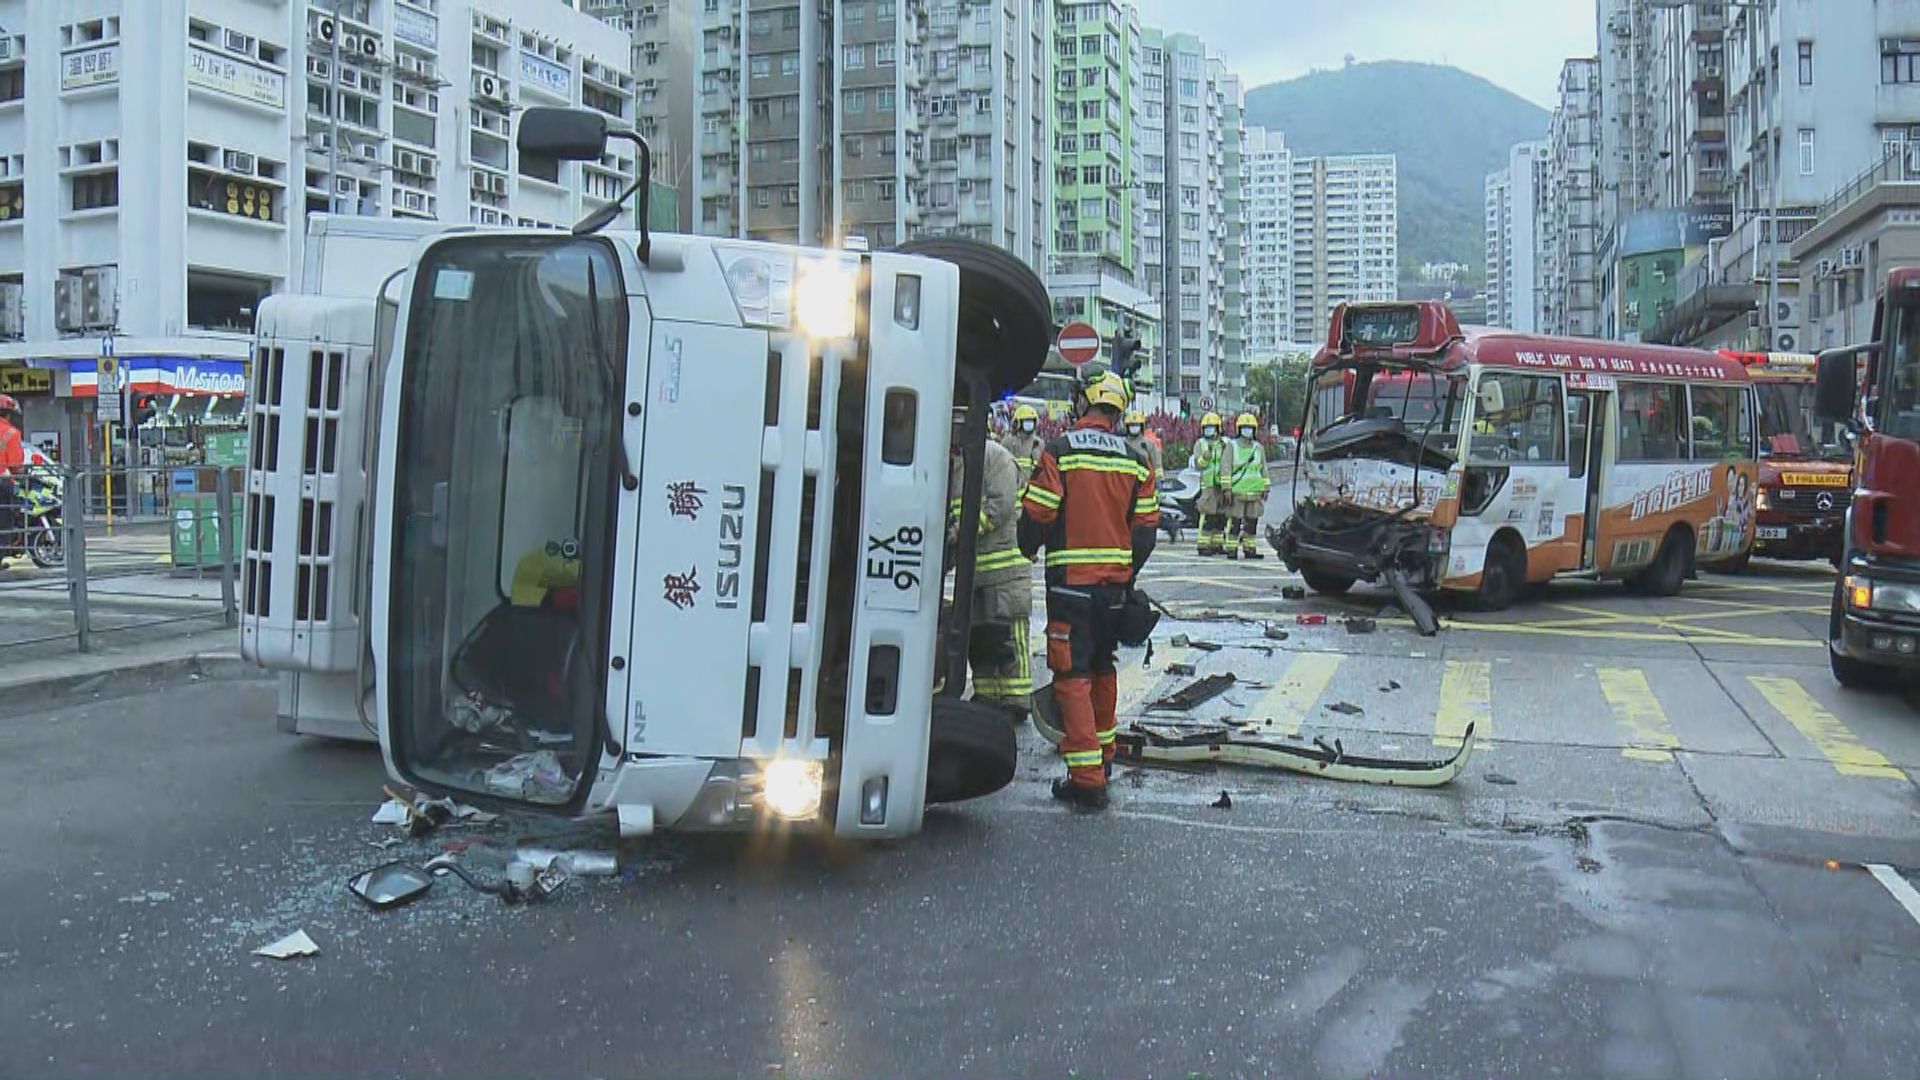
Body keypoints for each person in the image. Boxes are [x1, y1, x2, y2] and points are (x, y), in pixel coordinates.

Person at [1019, 372, 1159, 811]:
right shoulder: (1137, 460)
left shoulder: (1061, 452)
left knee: (1072, 675)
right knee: (1102, 668)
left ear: (1085, 403)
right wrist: (1123, 573)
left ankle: (1086, 779)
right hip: (1114, 591)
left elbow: (1038, 515)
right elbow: (1147, 532)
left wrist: (1028, 544)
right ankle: (1104, 757)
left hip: (1071, 590)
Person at [948, 428, 1034, 723]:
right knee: (980, 638)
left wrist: (961, 532)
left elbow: (1000, 506)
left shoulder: (994, 457)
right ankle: (987, 694)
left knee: (1010, 637)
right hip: (974, 575)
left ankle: (1017, 699)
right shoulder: (955, 464)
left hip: (1006, 571)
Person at [1223, 412, 1270, 561]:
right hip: (1237, 492)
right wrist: (1226, 489)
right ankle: (1231, 549)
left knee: (1252, 523)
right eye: (1245, 428)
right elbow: (1226, 469)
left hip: (1254, 493)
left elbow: (1264, 469)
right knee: (1235, 522)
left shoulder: (1258, 448)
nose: (1247, 431)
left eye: (1250, 428)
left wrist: (1266, 487)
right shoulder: (1231, 446)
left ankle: (1250, 549)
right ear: (1239, 429)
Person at [1192, 411, 1228, 556]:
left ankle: (1217, 544)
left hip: (1221, 484)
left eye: (1212, 427)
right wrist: (1206, 455)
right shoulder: (1200, 444)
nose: (1209, 431)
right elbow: (1198, 464)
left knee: (1220, 516)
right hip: (1208, 485)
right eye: (1207, 428)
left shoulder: (1225, 443)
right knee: (1208, 516)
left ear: (1218, 428)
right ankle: (1203, 545)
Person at [0, 394, 25, 559]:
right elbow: (16, 465)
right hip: (2, 483)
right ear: (9, 414)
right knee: (4, 521)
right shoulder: (12, 433)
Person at [1001, 404, 1046, 488]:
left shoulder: (1039, 443)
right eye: (1026, 421)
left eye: (1031, 421)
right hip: (1012, 487)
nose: (1029, 424)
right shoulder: (1008, 442)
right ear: (1018, 423)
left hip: (1032, 489)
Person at [1124, 410, 1164, 478]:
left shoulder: (1149, 445)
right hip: (1126, 481)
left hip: (1145, 483)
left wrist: (1158, 480)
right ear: (1127, 427)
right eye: (1132, 425)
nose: (1134, 427)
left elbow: (1157, 465)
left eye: (1137, 425)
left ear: (1141, 426)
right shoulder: (1122, 444)